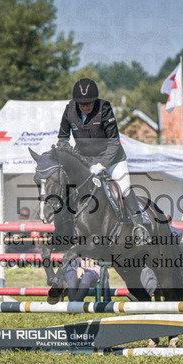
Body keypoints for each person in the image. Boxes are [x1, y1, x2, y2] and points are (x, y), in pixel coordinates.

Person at [57, 78, 150, 244]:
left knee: (124, 188)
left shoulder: (104, 109)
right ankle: (68, 226)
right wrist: (69, 155)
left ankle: (139, 226)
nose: (86, 107)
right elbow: (62, 139)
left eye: (89, 103)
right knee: (71, 188)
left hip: (112, 158)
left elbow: (114, 142)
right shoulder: (69, 110)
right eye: (82, 104)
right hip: (84, 159)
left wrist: (102, 164)